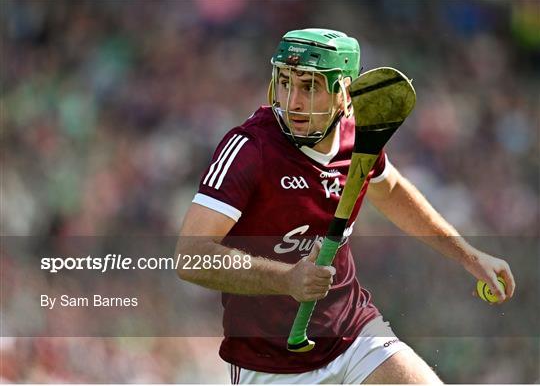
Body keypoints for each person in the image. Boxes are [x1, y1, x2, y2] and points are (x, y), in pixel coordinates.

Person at [176, 28, 515, 384]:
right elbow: (190, 256)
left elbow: (393, 190)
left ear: (343, 94)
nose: (292, 101)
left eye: (309, 87)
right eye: (286, 82)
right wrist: (286, 278)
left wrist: (468, 256)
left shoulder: (358, 137)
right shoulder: (249, 149)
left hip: (354, 333)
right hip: (269, 364)